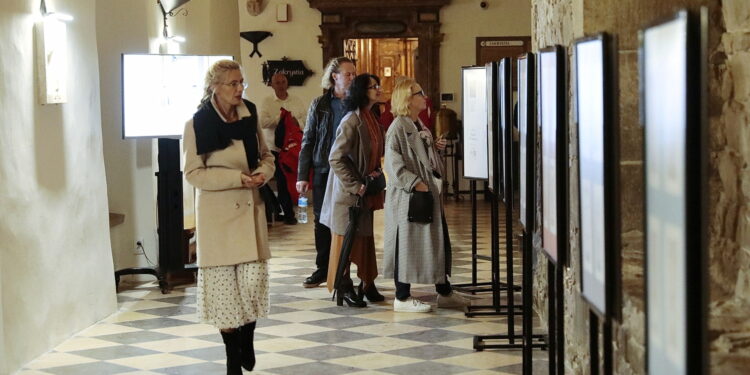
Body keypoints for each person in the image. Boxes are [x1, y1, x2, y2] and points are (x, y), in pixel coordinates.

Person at [182, 60, 274, 374]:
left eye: (241, 83)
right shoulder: (197, 124)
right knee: (224, 297)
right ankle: (232, 360)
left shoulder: (249, 114)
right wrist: (237, 178)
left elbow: (265, 155)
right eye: (232, 84)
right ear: (214, 87)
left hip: (250, 210)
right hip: (218, 218)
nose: (239, 89)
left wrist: (263, 172)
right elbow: (194, 173)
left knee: (252, 285)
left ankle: (247, 336)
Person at [382, 78, 469, 313]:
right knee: (407, 244)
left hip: (427, 194)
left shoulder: (418, 123)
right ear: (407, 100)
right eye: (420, 93)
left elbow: (421, 155)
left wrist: (434, 149)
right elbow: (393, 166)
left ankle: (444, 291)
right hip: (410, 199)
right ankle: (402, 297)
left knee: (436, 241)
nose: (425, 96)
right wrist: (416, 184)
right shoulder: (398, 127)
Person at [320, 73, 386, 307]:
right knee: (345, 240)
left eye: (378, 86)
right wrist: (356, 185)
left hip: (364, 191)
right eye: (373, 87)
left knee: (365, 238)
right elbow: (335, 158)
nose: (378, 89)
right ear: (361, 91)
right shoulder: (351, 120)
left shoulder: (371, 117)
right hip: (348, 194)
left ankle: (367, 283)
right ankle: (343, 286)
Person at [297, 57, 357, 288]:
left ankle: (346, 268)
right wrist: (303, 175)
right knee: (322, 219)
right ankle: (323, 267)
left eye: (353, 74)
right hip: (324, 168)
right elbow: (308, 140)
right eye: (348, 74)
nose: (352, 77)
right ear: (335, 76)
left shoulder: (356, 103)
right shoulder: (319, 104)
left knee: (349, 220)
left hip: (350, 171)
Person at [259, 72, 306, 225]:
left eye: (283, 81)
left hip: (292, 148)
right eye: (277, 82)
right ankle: (288, 213)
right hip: (274, 148)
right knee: (281, 181)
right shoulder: (267, 102)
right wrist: (279, 119)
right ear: (272, 85)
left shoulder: (297, 101)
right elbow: (262, 123)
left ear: (287, 83)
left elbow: (306, 120)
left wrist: (295, 121)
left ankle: (281, 209)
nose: (280, 85)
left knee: (289, 181)